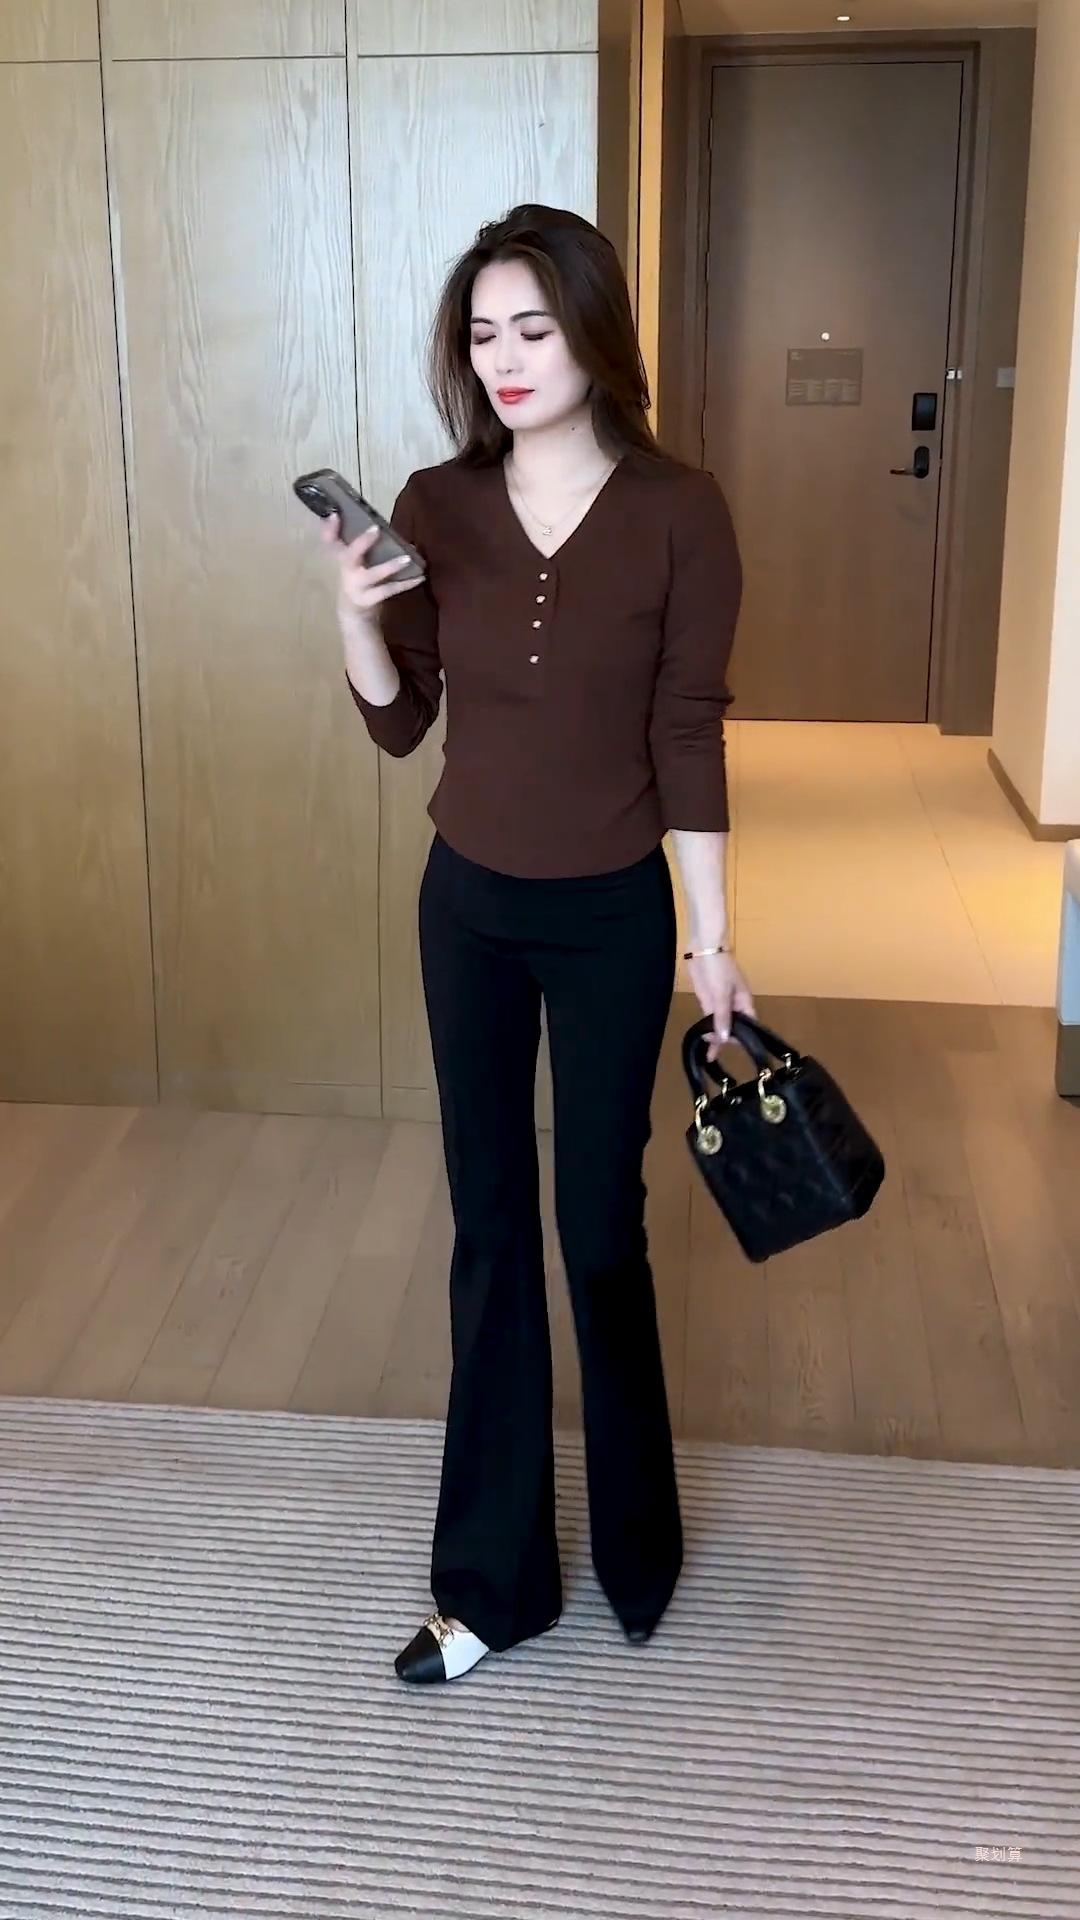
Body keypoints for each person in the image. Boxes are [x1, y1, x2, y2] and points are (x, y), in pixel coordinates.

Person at [321, 204, 755, 1686]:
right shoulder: (435, 506)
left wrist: (713, 941)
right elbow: (402, 724)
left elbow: (688, 732)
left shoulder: (682, 510)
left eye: (534, 328)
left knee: (600, 1229)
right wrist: (354, 615)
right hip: (470, 910)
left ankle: (638, 1544)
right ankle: (492, 1583)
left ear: (595, 336)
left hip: (613, 914)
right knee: (490, 1227)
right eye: (482, 334)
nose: (504, 359)